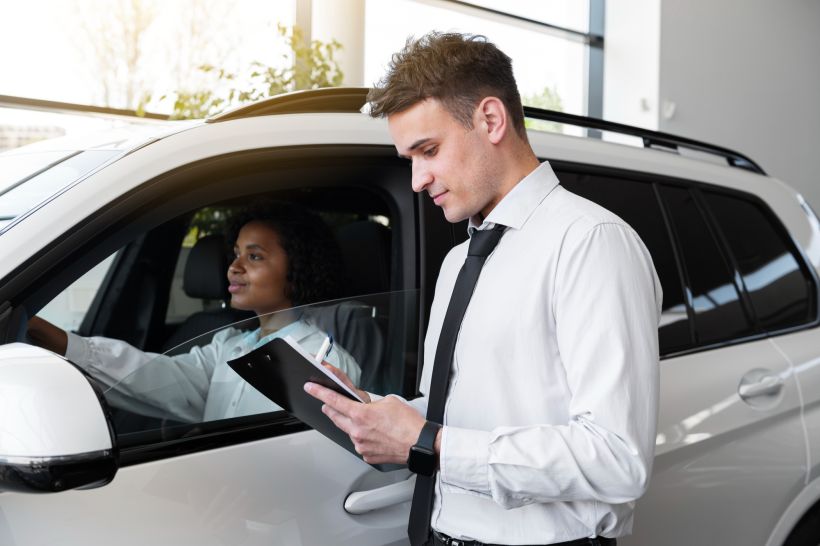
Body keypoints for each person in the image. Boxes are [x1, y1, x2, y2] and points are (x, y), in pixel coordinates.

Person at [305, 32, 662, 546]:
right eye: (409, 159)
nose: (416, 180)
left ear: (491, 120)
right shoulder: (457, 262)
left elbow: (617, 459)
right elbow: (471, 410)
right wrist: (388, 417)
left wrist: (428, 441)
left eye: (427, 151)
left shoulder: (591, 243)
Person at [27, 200, 361, 424]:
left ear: (297, 269)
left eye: (254, 257)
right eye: (235, 254)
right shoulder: (229, 346)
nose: (234, 267)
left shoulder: (325, 361)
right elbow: (153, 376)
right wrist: (52, 338)